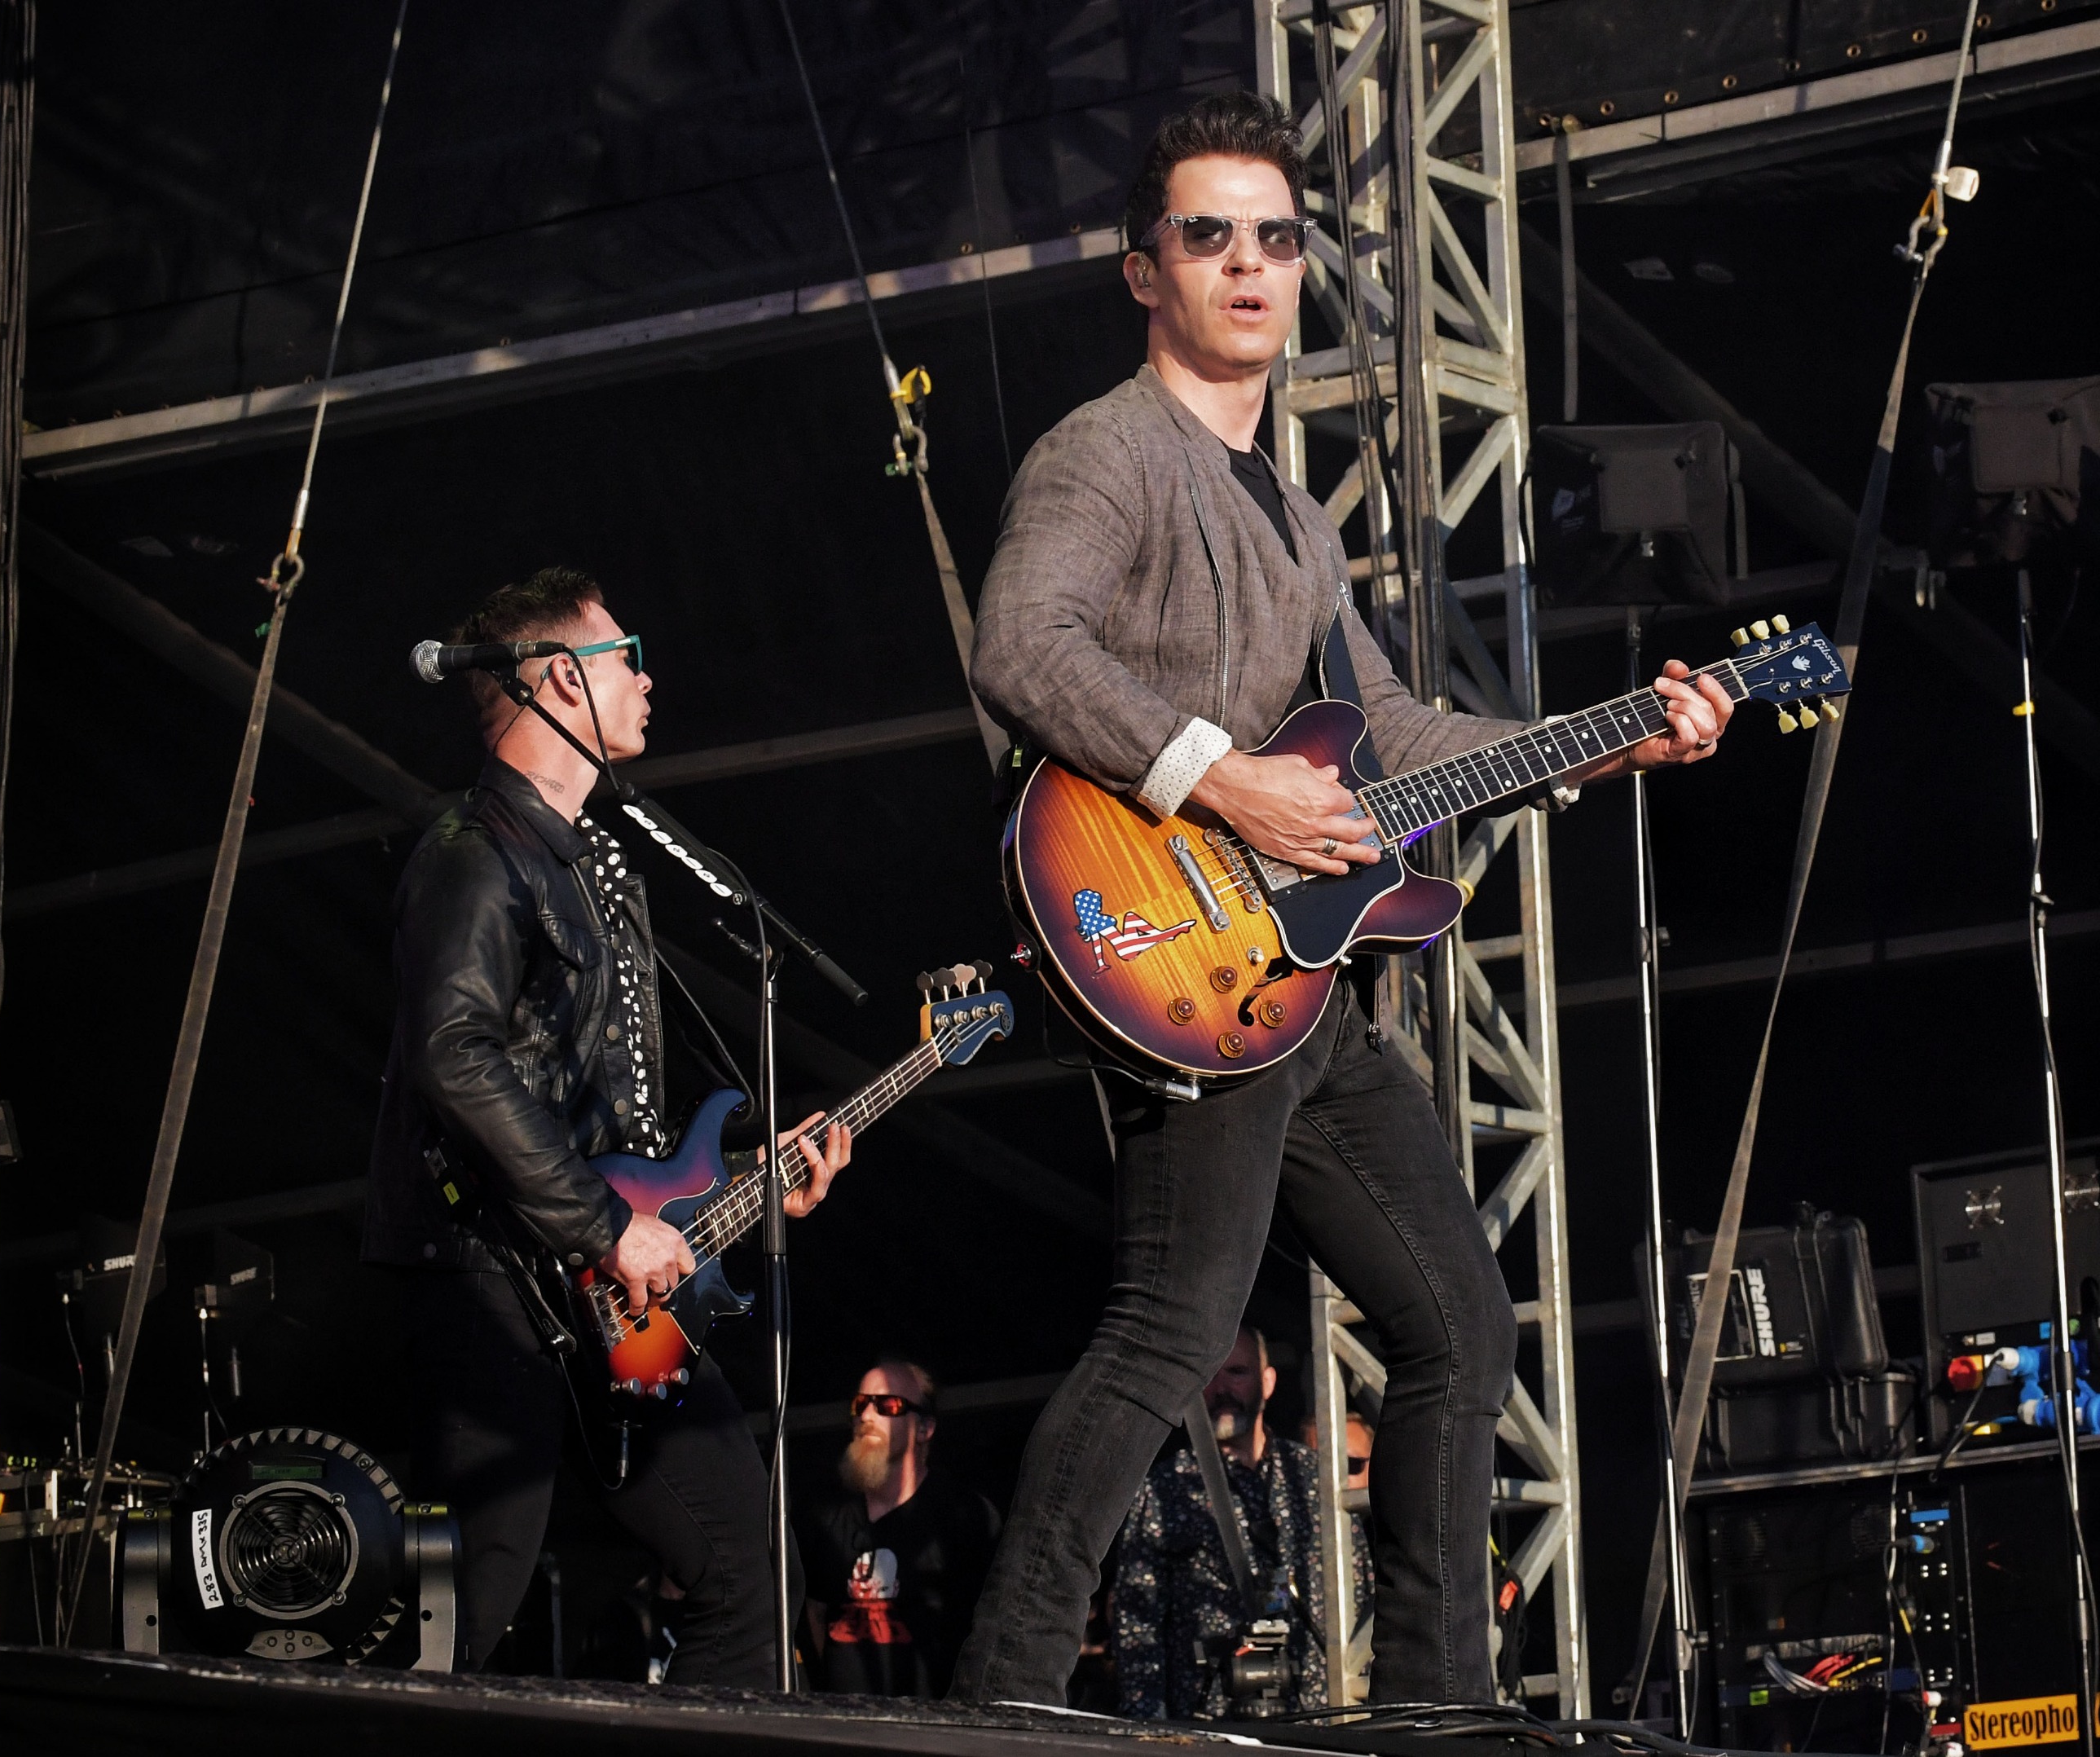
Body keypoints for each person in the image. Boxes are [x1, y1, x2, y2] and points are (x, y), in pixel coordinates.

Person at [953, 93, 1734, 1707]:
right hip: (1182, 957)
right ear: (1145, 272)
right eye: (1208, 236)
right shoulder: (1106, 452)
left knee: (1461, 1323)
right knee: (1171, 1332)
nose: (1248, 263)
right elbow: (1021, 643)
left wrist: (1609, 742)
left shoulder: (1293, 516)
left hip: (1300, 984)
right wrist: (1224, 783)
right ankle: (1002, 1701)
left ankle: (1441, 1710)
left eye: (1276, 237)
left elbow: (1388, 737)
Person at [363, 566, 853, 1684]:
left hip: (605, 1285)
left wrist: (741, 1172)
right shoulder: (472, 852)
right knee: (465, 1601)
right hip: (489, 1275)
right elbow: (453, 1054)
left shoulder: (600, 865)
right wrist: (603, 1226)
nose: (647, 677)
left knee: (748, 1572)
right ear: (558, 682)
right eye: (624, 655)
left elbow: (613, 1116)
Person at [1107, 1328, 1329, 1720]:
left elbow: (1362, 1595)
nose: (1221, 1389)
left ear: (1268, 1382)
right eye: (1210, 1375)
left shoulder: (1313, 1477)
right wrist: (1149, 1727)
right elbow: (1137, 1624)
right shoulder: (1165, 1487)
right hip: (1211, 1721)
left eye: (1237, 1372)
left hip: (1320, 1716)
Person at [800, 1359, 1002, 1697]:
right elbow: (815, 1614)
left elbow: (991, 1629)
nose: (867, 1415)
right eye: (860, 1404)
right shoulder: (826, 1516)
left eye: (888, 1405)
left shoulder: (963, 1516)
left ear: (924, 1428)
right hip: (840, 1719)